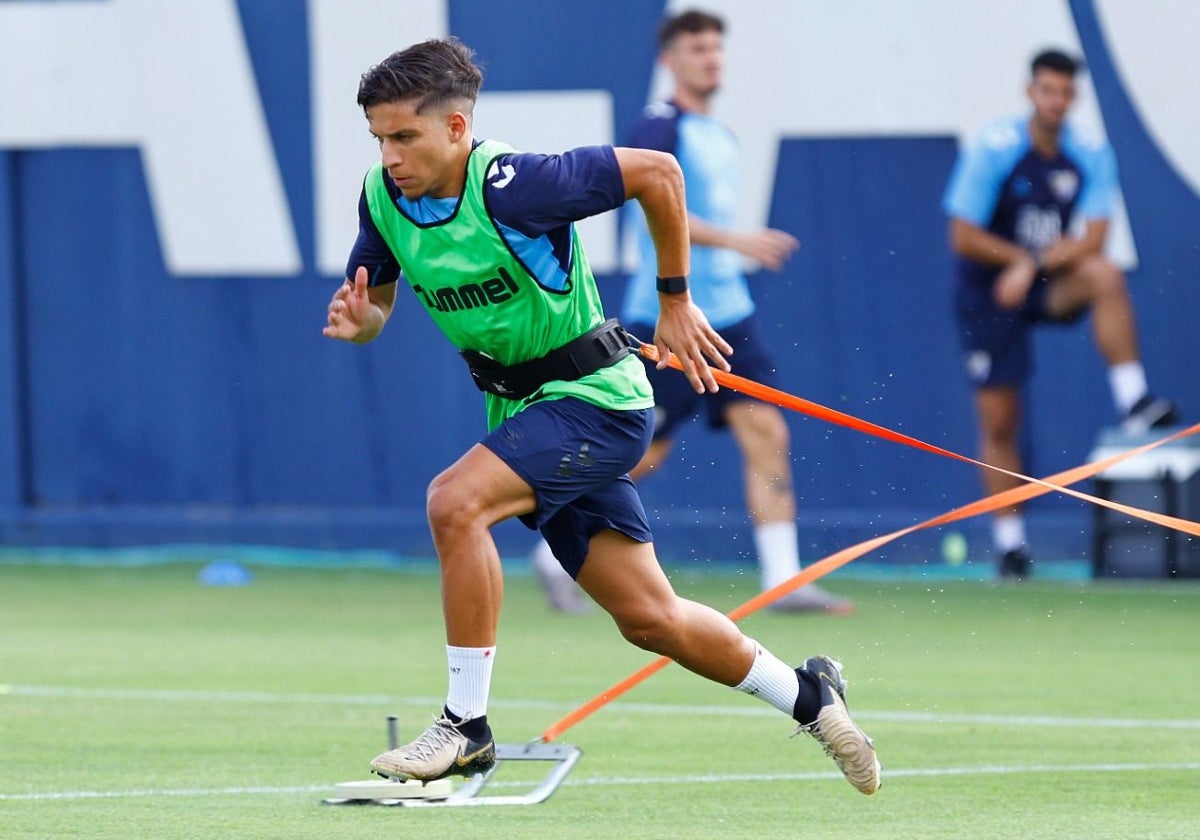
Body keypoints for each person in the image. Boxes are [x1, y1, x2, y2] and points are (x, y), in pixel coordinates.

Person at [323, 38, 880, 795]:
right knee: (652, 619)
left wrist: (676, 301)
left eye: (404, 136)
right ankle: (812, 697)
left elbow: (659, 173)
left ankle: (465, 728)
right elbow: (377, 302)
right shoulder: (383, 198)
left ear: (457, 129)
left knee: (454, 503)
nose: (389, 155)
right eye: (379, 138)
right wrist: (363, 322)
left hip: (598, 402)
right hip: (530, 408)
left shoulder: (518, 186)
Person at [531, 9, 854, 616]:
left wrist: (733, 251)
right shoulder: (658, 125)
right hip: (666, 317)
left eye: (715, 48)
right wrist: (735, 241)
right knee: (641, 449)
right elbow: (653, 202)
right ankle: (554, 553)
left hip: (729, 314)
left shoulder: (720, 135)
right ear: (670, 61)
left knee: (768, 433)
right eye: (696, 49)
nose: (710, 59)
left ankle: (785, 581)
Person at [943, 48, 1179, 580]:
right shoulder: (997, 147)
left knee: (1104, 274)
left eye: (1066, 93)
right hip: (988, 290)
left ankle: (1133, 399)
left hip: (1043, 280)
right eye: (1047, 90)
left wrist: (1032, 263)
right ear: (1031, 93)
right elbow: (963, 234)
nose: (1056, 101)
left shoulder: (1089, 153)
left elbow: (1094, 238)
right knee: (1001, 420)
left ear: (1073, 98)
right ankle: (1010, 546)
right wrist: (1016, 263)